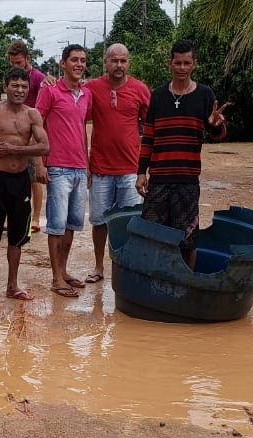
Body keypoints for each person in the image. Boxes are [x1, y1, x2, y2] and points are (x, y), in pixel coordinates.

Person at [136, 39, 229, 270]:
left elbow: (218, 134)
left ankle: (185, 283)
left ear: (194, 64)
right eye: (177, 62)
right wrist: (141, 172)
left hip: (187, 180)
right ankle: (154, 280)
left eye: (187, 63)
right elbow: (148, 137)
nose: (182, 67)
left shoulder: (205, 95)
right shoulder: (157, 96)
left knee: (188, 239)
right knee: (152, 236)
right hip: (158, 180)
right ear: (170, 63)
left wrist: (215, 125)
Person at [0, 67, 51, 305]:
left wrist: (16, 150)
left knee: (17, 236)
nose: (20, 90)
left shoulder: (33, 115)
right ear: (5, 87)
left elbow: (45, 147)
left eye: (24, 86)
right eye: (15, 85)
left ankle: (12, 285)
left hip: (21, 181)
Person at [83, 42, 151, 284]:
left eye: (123, 61)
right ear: (106, 62)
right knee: (100, 222)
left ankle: (126, 268)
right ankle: (99, 266)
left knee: (129, 223)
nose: (119, 65)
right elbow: (73, 107)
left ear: (128, 63)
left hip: (130, 171)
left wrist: (144, 169)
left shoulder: (140, 90)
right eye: (114, 60)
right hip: (100, 170)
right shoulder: (91, 88)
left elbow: (151, 127)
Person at [35, 44, 92, 298]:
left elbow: (82, 131)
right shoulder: (49, 91)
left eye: (82, 60)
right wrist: (39, 162)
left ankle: (64, 271)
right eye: (74, 60)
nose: (79, 64)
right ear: (63, 63)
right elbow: (36, 126)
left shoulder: (85, 94)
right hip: (57, 167)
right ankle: (56, 277)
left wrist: (88, 166)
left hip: (79, 168)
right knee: (56, 225)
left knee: (71, 224)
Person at [8, 40, 49, 234]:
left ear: (27, 59)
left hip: (33, 132)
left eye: (18, 62)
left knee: (34, 178)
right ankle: (13, 216)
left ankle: (35, 218)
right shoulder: (12, 77)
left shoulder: (39, 77)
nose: (15, 66)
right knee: (12, 176)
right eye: (12, 63)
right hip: (15, 132)